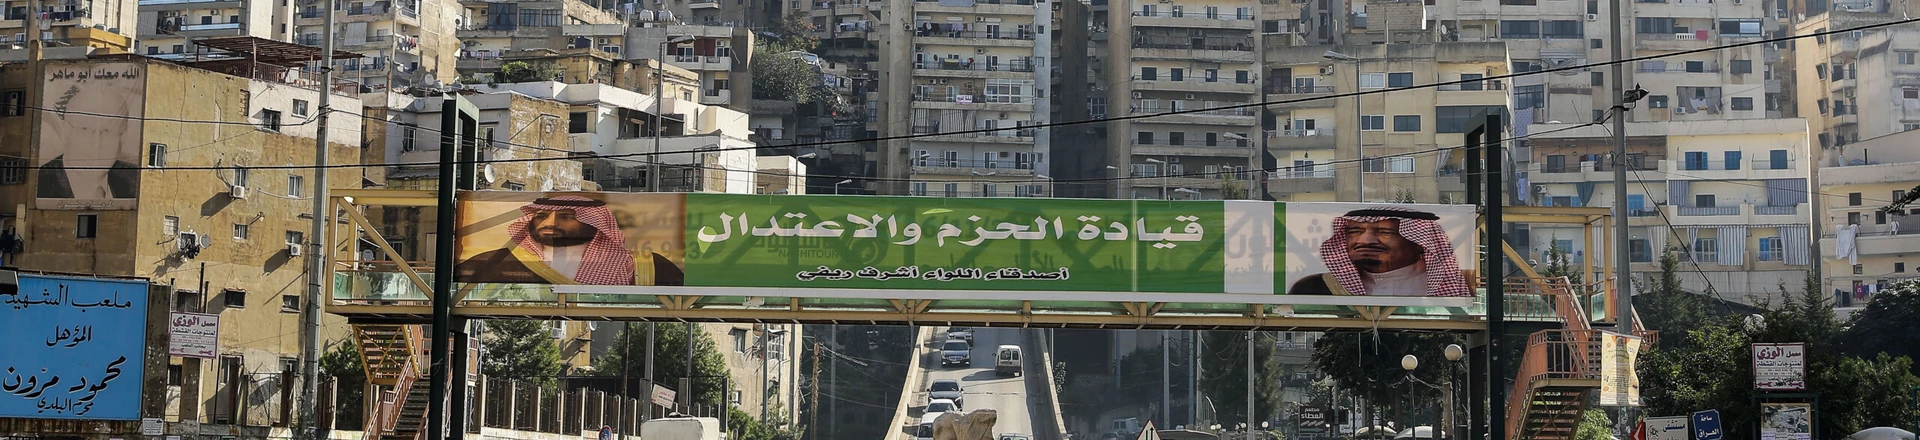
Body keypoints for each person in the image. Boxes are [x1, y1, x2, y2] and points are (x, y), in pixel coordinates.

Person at [455, 195, 684, 285]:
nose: (548, 223)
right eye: (542, 216)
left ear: (596, 223)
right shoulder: (494, 260)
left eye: (565, 217)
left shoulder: (643, 266)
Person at [1288, 207, 1470, 297]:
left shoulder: (1457, 290)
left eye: (1385, 232)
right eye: (1355, 232)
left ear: (1420, 243)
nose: (1365, 240)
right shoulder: (1314, 287)